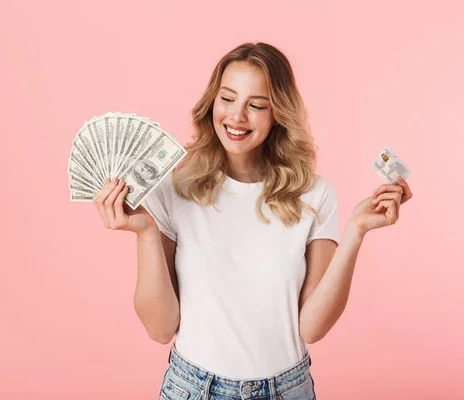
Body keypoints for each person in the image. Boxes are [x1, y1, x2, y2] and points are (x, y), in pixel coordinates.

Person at [92, 42, 413, 400]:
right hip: (194, 389)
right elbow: (159, 327)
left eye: (256, 105)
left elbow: (312, 327)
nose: (237, 117)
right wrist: (147, 233)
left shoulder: (315, 195)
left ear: (278, 113)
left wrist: (355, 232)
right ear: (212, 102)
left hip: (287, 390)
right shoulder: (173, 188)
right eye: (227, 99)